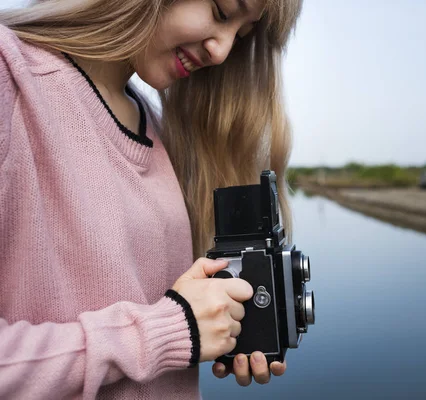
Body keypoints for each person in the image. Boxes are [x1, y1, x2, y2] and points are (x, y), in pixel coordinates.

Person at [0, 0, 302, 398]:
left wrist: (224, 320)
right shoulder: (11, 77)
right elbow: (169, 327)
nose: (222, 51)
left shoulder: (159, 131)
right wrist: (172, 330)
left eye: (241, 36)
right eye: (222, 12)